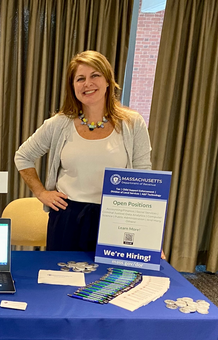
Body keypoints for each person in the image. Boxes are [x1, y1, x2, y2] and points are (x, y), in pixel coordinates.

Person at [14, 50, 152, 251]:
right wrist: (41, 192)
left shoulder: (132, 123)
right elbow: (23, 157)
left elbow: (143, 174)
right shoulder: (59, 124)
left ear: (108, 80)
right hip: (67, 218)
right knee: (62, 278)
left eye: (95, 75)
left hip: (116, 218)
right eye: (80, 79)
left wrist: (148, 233)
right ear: (73, 87)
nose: (88, 83)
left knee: (107, 280)